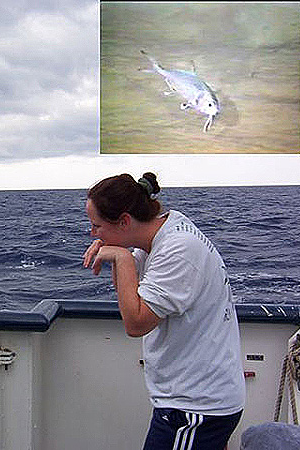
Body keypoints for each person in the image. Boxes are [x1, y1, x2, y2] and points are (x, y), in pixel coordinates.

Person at [83, 172, 245, 450]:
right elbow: (133, 295)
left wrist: (121, 257)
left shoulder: (178, 250)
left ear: (124, 221)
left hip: (196, 408)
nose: (92, 234)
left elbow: (136, 323)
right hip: (192, 400)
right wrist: (118, 252)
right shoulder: (162, 234)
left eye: (96, 226)